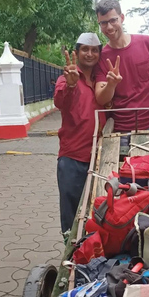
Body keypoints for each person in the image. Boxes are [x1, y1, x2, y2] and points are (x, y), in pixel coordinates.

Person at [54, 33, 106, 240]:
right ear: (76, 53)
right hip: (73, 157)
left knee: (99, 209)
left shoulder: (102, 82)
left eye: (94, 50)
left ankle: (95, 253)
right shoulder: (65, 78)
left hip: (101, 157)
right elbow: (60, 101)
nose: (90, 54)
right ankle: (71, 256)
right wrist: (71, 85)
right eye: (85, 49)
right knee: (72, 212)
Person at [94, 0, 149, 141]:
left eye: (113, 20)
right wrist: (111, 84)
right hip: (121, 131)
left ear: (122, 18)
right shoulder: (102, 57)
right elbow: (100, 98)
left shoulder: (146, 43)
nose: (109, 27)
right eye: (104, 23)